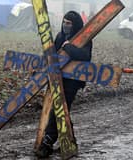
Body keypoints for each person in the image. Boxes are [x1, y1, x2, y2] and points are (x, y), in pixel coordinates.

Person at [35, 11, 93, 158]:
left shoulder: (85, 39)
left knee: (59, 108)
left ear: (75, 25)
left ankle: (47, 142)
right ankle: (69, 141)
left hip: (73, 81)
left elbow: (85, 56)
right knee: (61, 109)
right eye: (64, 22)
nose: (65, 25)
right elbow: (51, 54)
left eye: (69, 23)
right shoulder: (60, 36)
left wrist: (68, 47)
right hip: (57, 78)